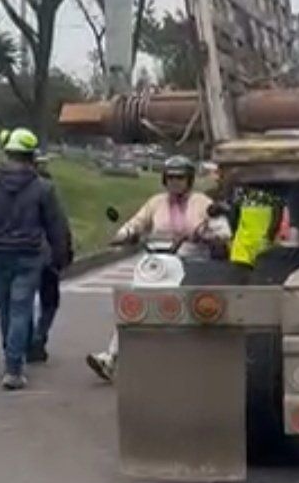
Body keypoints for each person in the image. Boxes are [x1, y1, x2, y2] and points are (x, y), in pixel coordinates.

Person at [85, 155, 229, 383]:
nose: (175, 182)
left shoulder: (202, 202)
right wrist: (125, 234)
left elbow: (222, 230)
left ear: (189, 179)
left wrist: (207, 235)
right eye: (170, 177)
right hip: (157, 263)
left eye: (180, 177)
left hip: (192, 263)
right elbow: (137, 222)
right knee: (133, 301)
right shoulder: (156, 202)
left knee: (191, 308)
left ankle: (194, 359)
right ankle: (111, 357)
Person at [0, 127, 71, 390]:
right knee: (21, 308)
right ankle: (14, 367)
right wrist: (62, 255)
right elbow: (56, 225)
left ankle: (11, 356)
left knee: (6, 309)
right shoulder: (43, 188)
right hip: (29, 255)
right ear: (31, 155)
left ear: (7, 152)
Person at [26, 149, 73, 363]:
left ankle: (25, 339)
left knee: (21, 301)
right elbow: (58, 223)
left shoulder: (7, 188)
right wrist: (64, 251)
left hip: (21, 251)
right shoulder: (47, 188)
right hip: (45, 253)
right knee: (49, 301)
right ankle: (38, 336)